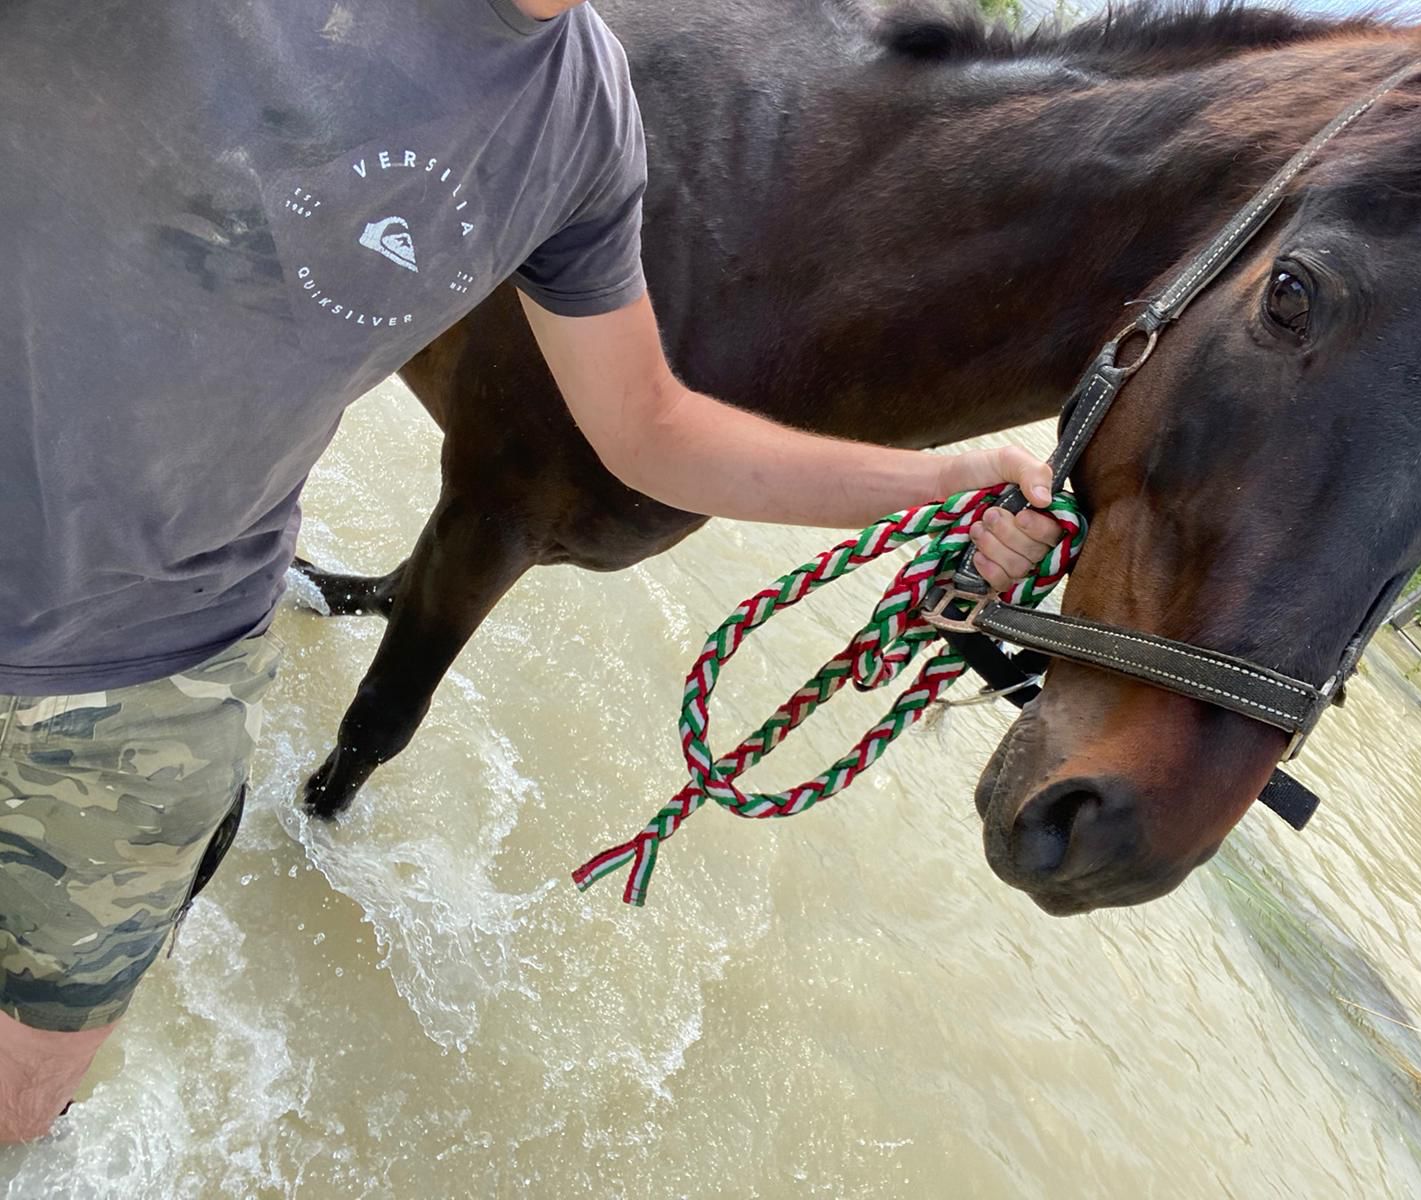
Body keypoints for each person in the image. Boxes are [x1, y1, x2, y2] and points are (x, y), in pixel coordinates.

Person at [0, 0, 1064, 1142]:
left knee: (24, 1110)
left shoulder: (583, 120)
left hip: (156, 676)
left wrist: (955, 476)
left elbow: (650, 430)